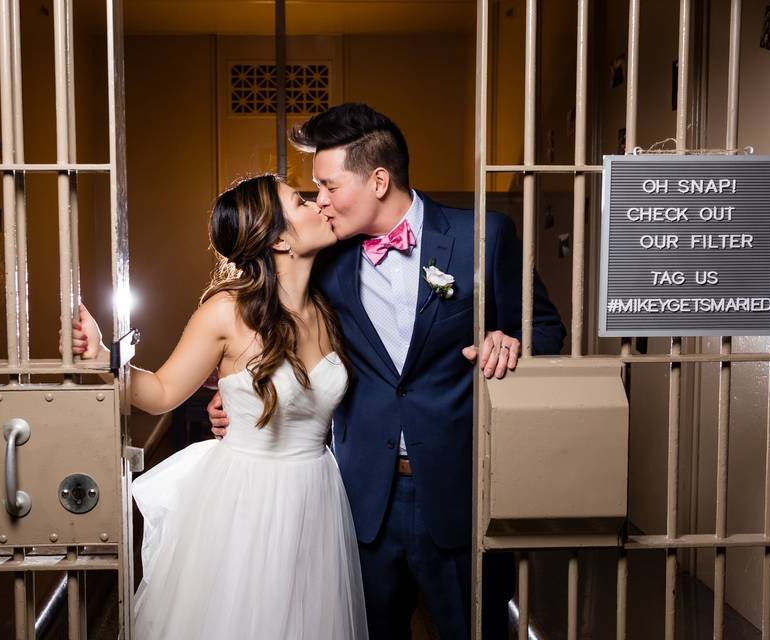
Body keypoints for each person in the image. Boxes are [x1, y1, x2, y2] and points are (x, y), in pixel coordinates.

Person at [209, 103, 565, 639]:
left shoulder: (485, 237)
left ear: (378, 179)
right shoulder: (323, 257)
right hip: (360, 500)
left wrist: (510, 342)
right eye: (315, 191)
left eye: (329, 185)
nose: (320, 201)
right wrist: (237, 399)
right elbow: (271, 327)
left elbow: (547, 329)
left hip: (463, 492)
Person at [72, 174, 369, 639]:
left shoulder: (327, 310)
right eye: (301, 200)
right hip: (248, 500)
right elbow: (164, 392)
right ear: (278, 239)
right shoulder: (227, 312)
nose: (318, 205)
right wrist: (104, 362)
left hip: (317, 493)